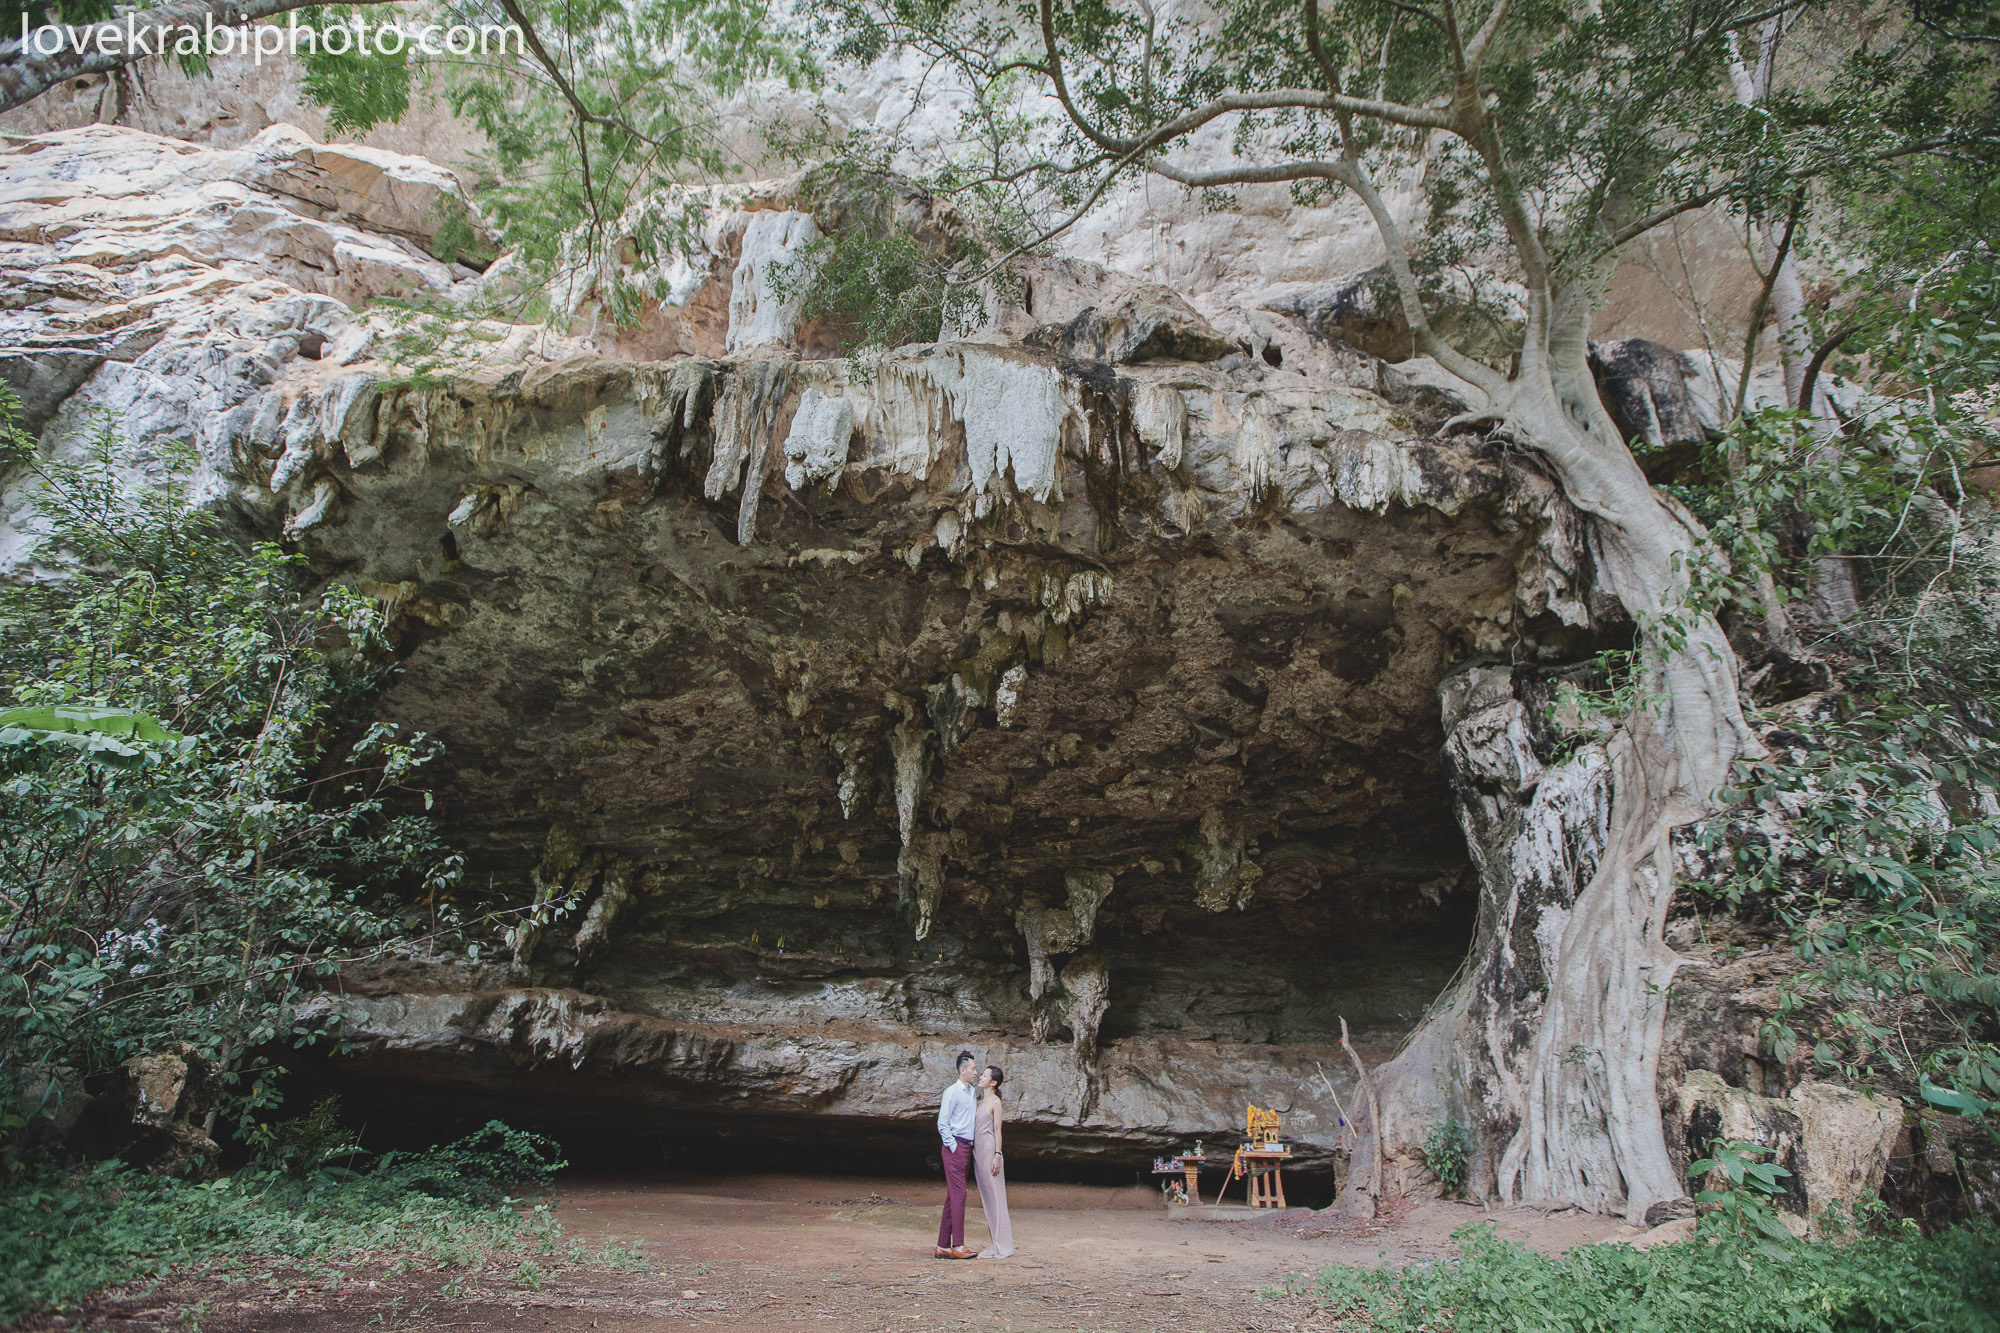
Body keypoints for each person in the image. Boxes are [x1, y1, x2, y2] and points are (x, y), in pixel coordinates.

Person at [934, 1050, 979, 1258]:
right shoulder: (952, 1092)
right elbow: (943, 1122)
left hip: (967, 1146)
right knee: (960, 1194)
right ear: (962, 1070)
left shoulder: (971, 1092)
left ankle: (943, 1245)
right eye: (973, 1068)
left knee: (953, 1196)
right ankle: (958, 1245)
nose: (976, 1072)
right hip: (955, 1147)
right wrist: (953, 1146)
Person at [973, 1065, 1014, 1258]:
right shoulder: (980, 1100)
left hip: (989, 1149)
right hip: (978, 1150)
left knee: (996, 1196)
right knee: (987, 1195)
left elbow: (998, 1130)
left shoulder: (995, 1102)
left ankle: (1001, 1245)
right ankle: (994, 1242)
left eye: (985, 1075)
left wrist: (998, 1155)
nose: (980, 1077)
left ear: (993, 1082)